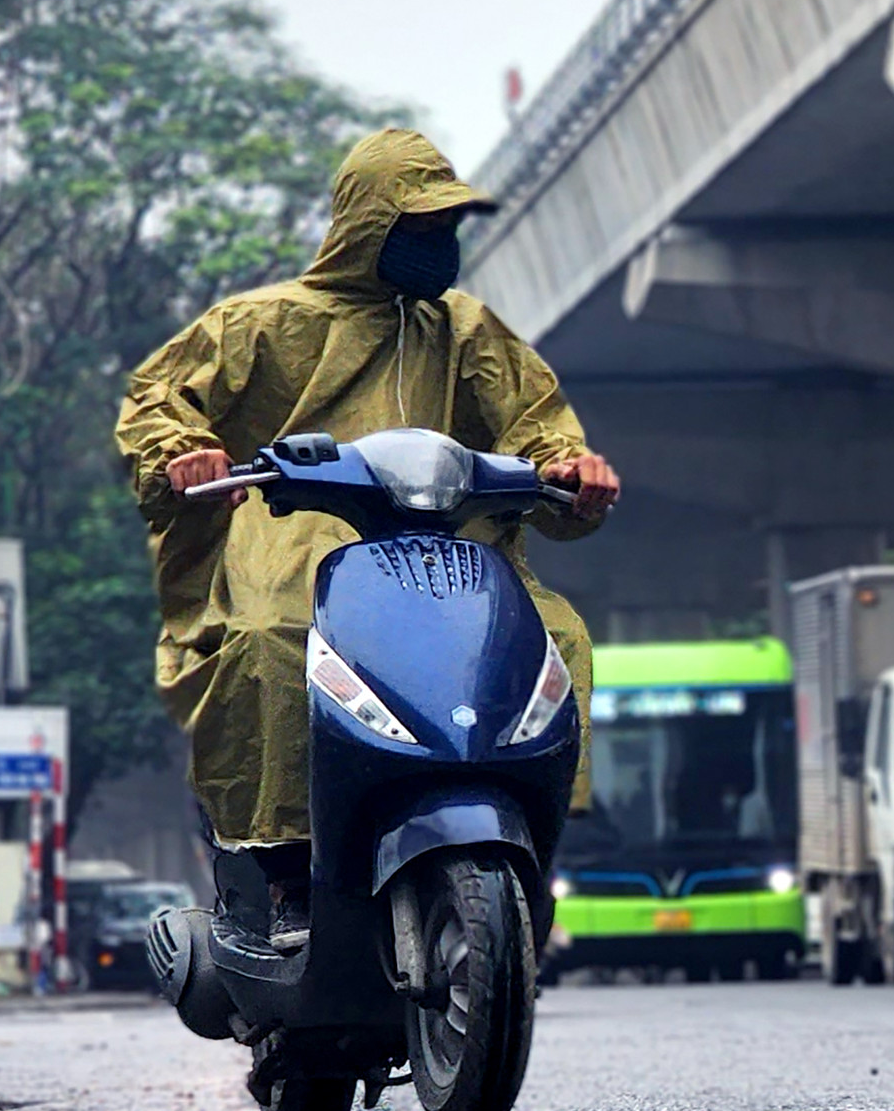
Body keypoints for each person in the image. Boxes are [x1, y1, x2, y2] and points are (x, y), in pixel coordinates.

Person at [115, 127, 620, 944]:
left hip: (448, 554)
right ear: (366, 226)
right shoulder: (259, 322)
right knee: (274, 635)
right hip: (289, 536)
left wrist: (570, 468)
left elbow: (537, 426)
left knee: (554, 634)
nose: (438, 244)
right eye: (418, 226)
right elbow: (159, 400)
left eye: (446, 228)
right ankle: (285, 868)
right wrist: (184, 454)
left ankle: (524, 838)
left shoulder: (465, 330)